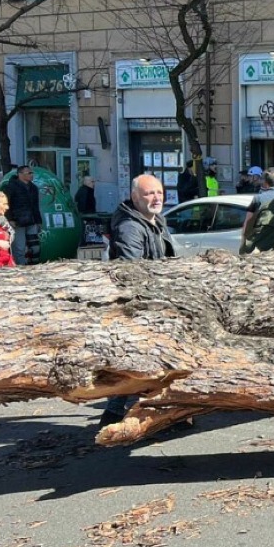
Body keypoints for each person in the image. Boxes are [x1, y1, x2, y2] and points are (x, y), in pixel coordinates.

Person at [102, 174, 176, 425]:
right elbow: (130, 270)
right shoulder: (130, 227)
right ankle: (123, 415)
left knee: (142, 362)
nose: (156, 198)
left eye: (159, 193)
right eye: (149, 193)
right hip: (139, 306)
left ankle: (123, 413)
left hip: (157, 302)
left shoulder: (156, 221)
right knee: (139, 362)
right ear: (135, 197)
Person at [239, 168, 274, 253]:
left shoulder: (258, 199)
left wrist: (244, 246)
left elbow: (248, 223)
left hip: (261, 243)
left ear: (265, 183)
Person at [5, 165, 42, 266]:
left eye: (32, 173)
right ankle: (20, 267)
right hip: (18, 221)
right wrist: (10, 219)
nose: (31, 175)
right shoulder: (11, 187)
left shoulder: (33, 188)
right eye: (29, 173)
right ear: (20, 174)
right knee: (19, 247)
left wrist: (38, 221)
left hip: (31, 220)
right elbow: (5, 203)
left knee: (35, 247)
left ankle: (33, 265)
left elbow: (35, 206)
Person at [0, 190, 15, 267]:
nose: (7, 207)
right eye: (4, 204)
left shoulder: (2, 221)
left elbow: (11, 233)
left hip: (4, 265)